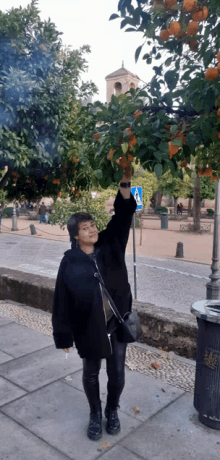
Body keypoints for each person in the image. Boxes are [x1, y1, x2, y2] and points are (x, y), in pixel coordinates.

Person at [52, 165, 136, 441]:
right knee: (91, 373)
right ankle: (94, 413)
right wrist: (63, 334)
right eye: (85, 228)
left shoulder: (111, 243)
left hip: (117, 321)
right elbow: (61, 300)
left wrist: (125, 182)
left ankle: (112, 410)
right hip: (88, 326)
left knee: (117, 373)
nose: (91, 230)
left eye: (92, 225)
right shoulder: (70, 261)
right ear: (76, 235)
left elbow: (123, 215)